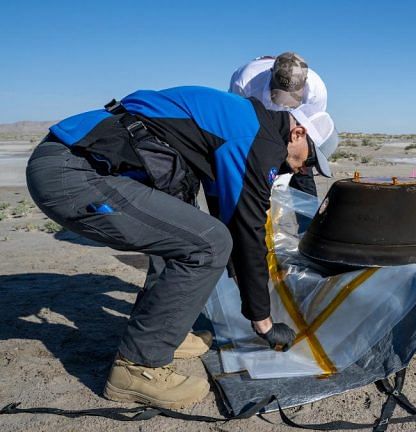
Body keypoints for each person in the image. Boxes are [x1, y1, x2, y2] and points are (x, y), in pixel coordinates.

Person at [26, 86, 339, 409]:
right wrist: (262, 321)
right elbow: (247, 230)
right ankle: (138, 366)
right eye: (310, 160)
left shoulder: (246, 122)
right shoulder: (258, 141)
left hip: (78, 160)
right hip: (74, 172)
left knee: (187, 231)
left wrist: (239, 277)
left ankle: (163, 332)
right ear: (297, 132)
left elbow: (228, 212)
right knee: (209, 243)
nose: (305, 170)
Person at [229, 52, 327, 224]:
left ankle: (309, 233)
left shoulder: (317, 89)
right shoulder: (245, 81)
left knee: (303, 178)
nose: (283, 103)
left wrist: (303, 159)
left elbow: (313, 128)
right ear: (270, 75)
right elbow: (238, 124)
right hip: (256, 131)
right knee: (253, 184)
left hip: (295, 135)